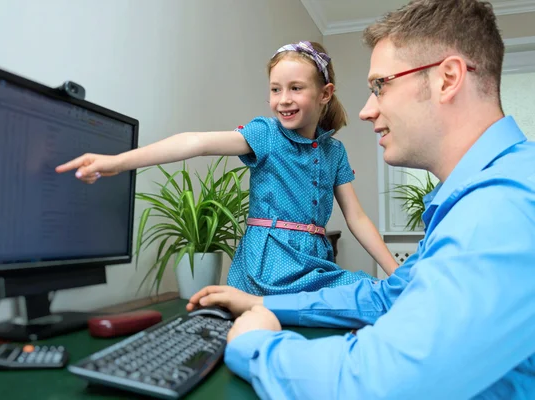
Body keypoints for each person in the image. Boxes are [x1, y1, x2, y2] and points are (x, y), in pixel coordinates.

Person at [185, 0, 535, 398]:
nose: (367, 110)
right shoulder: (483, 196)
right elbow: (386, 296)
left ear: (447, 78)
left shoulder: (504, 208)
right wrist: (261, 301)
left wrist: (255, 343)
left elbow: (373, 382)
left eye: (380, 85)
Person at [56, 41, 398, 295]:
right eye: (275, 89)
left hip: (315, 263)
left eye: (296, 88)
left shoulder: (333, 152)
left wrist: (394, 271)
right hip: (270, 262)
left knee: (371, 293)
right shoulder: (265, 134)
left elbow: (356, 217)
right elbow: (196, 142)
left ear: (325, 94)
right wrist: (118, 162)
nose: (283, 99)